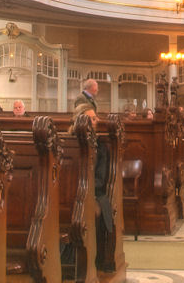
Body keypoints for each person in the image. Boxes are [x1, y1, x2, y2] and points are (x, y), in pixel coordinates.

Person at [73, 104, 115, 271]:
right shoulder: (69, 142)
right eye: (92, 118)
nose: (96, 121)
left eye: (95, 118)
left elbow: (101, 179)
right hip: (69, 194)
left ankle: (94, 258)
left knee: (93, 210)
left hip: (94, 193)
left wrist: (85, 190)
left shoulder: (100, 146)